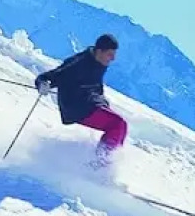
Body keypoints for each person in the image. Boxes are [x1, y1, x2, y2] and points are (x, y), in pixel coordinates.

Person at [36, 34, 127, 164]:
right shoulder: (79, 63)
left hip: (90, 102)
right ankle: (100, 163)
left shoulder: (98, 61)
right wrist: (43, 83)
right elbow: (49, 76)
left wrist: (103, 102)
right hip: (77, 106)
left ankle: (107, 162)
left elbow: (95, 84)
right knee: (118, 124)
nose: (113, 58)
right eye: (110, 54)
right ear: (99, 51)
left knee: (120, 127)